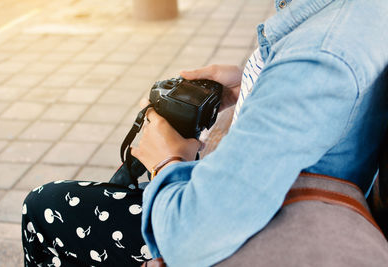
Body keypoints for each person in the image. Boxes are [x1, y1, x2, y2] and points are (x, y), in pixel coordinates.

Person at [22, 0, 388, 266]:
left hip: (247, 227)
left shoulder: (318, 58)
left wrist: (165, 159)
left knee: (43, 208)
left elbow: (190, 236)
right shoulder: (353, 14)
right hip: (278, 199)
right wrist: (255, 86)